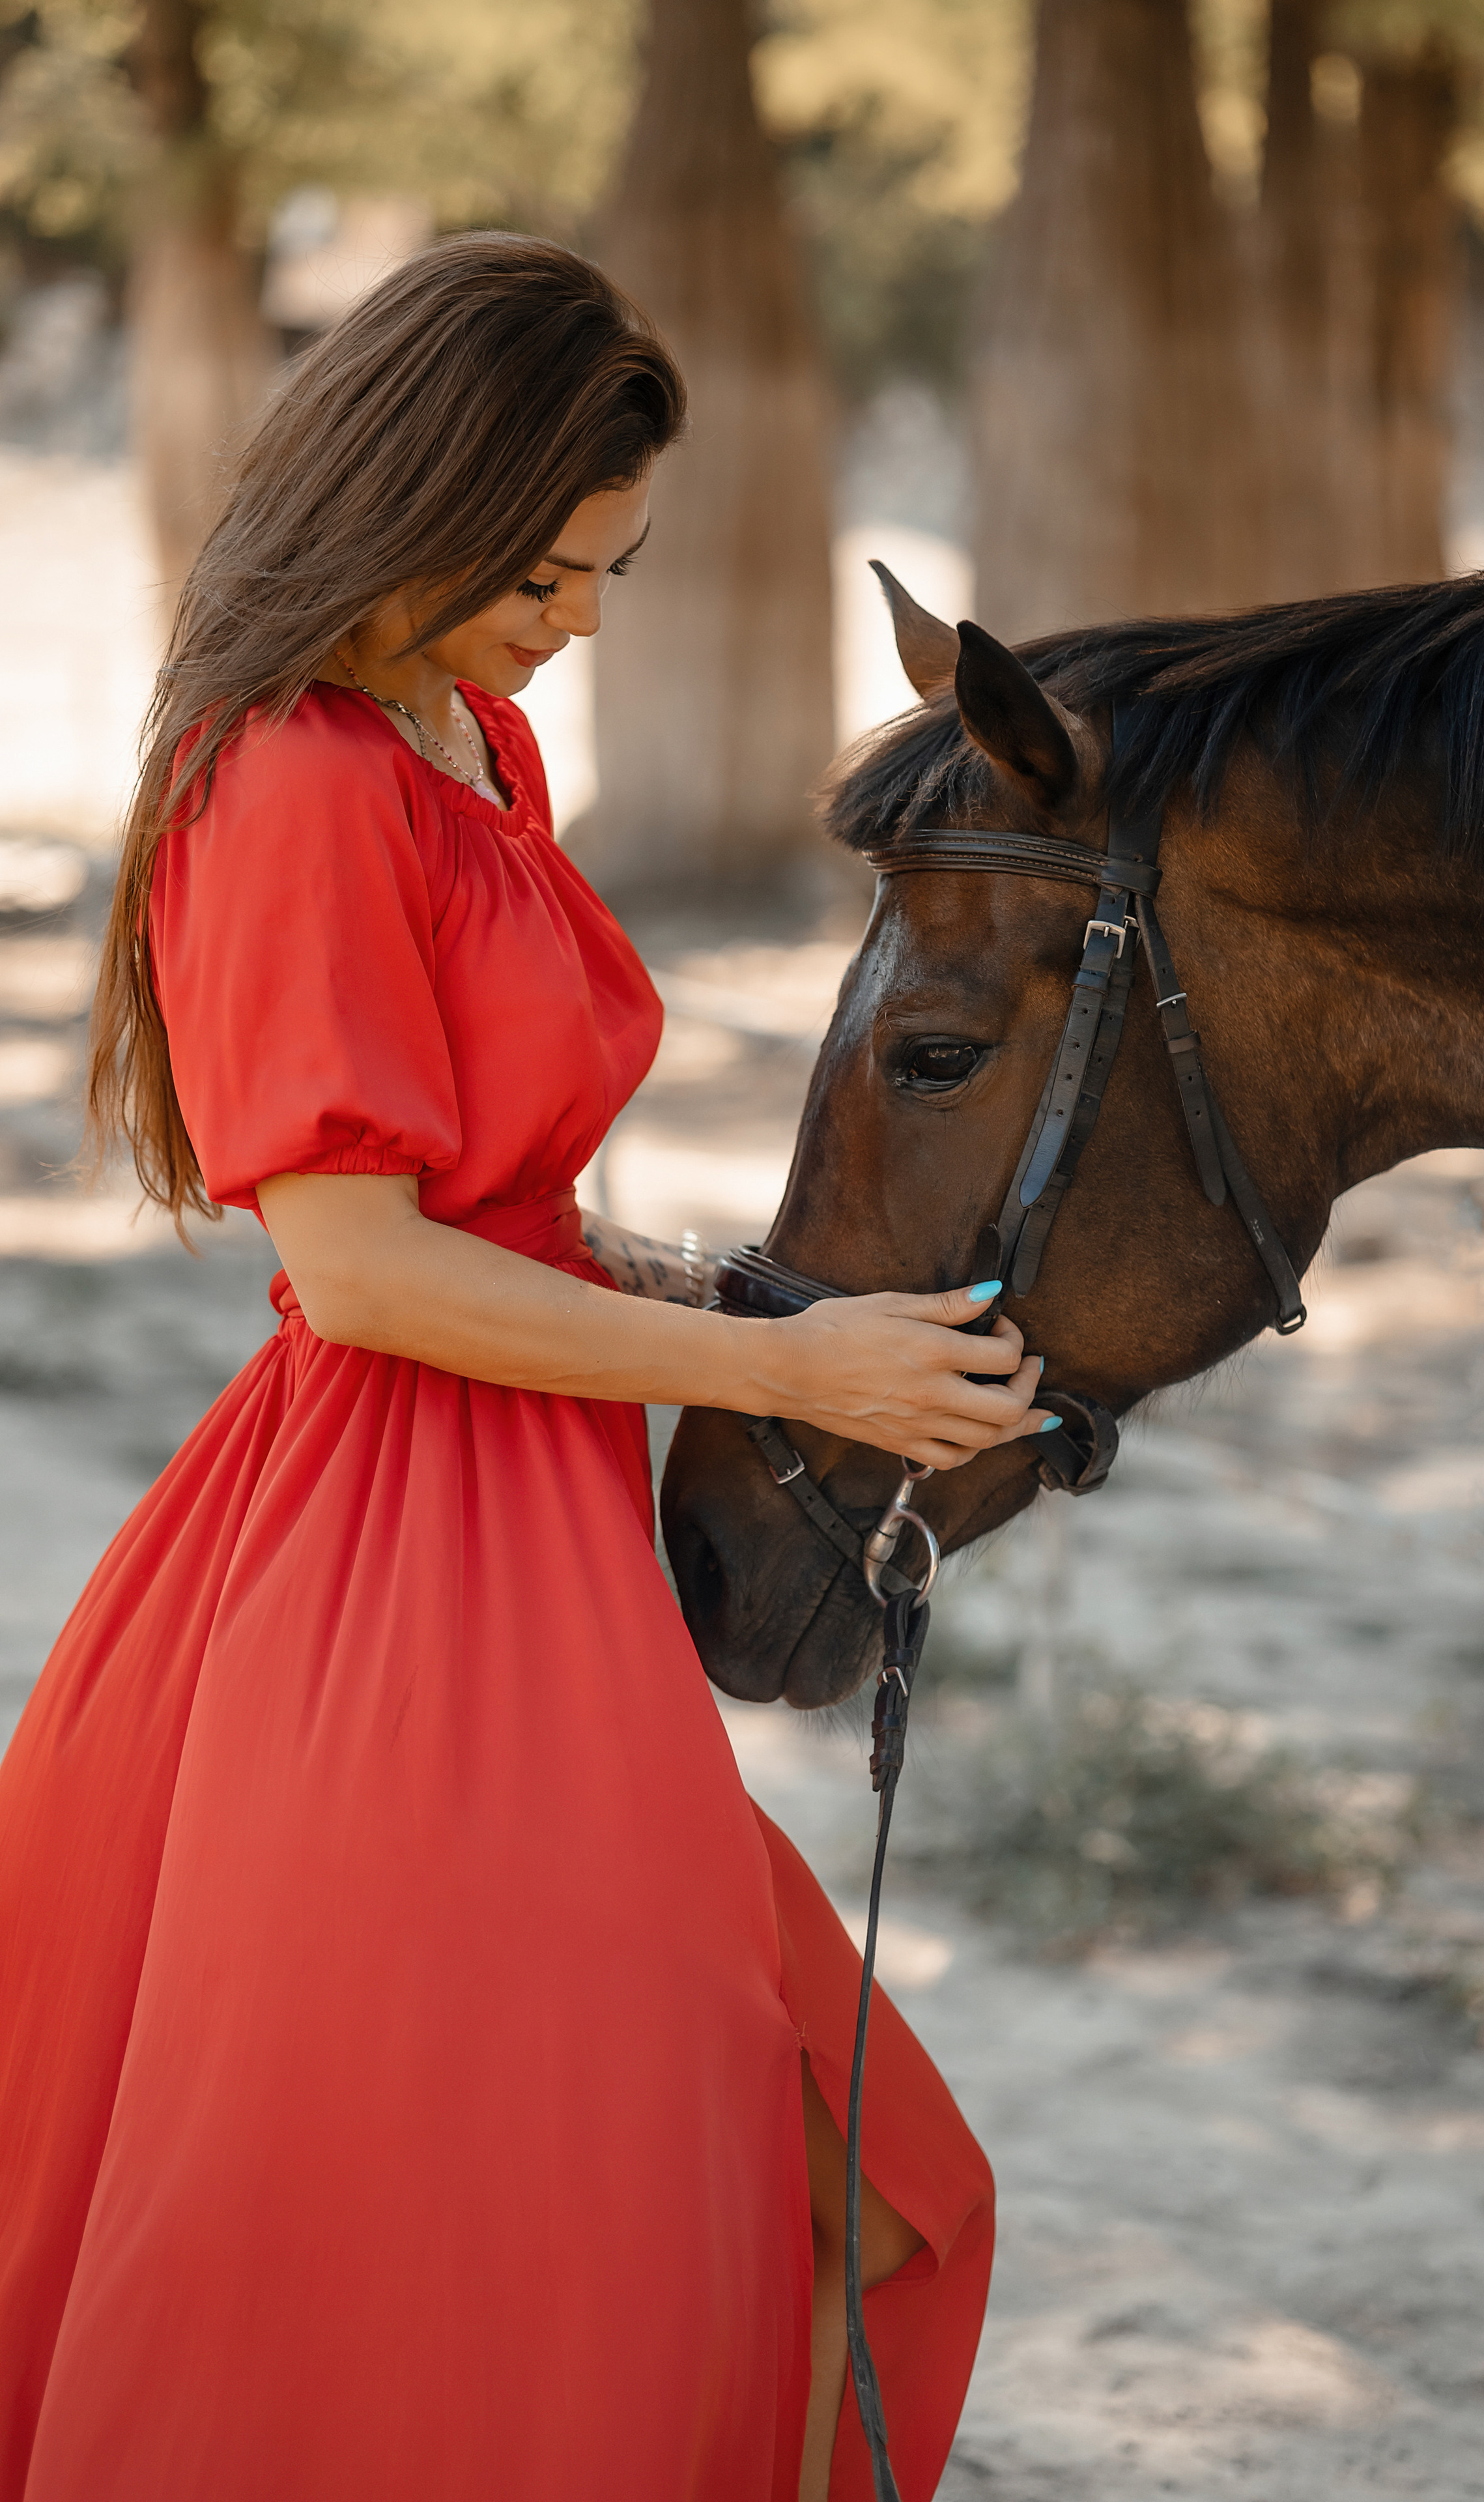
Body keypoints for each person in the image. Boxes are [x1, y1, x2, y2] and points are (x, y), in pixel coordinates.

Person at [0, 234, 1054, 2501]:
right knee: (531, 2208)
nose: (577, 620)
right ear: (419, 501)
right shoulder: (280, 777)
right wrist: (814, 1388)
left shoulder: (473, 739)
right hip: (381, 1565)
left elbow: (515, 1212)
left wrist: (765, 1321)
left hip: (539, 1528)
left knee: (810, 2177)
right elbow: (366, 1273)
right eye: (549, 572)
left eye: (610, 572)